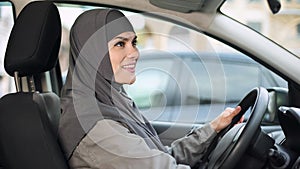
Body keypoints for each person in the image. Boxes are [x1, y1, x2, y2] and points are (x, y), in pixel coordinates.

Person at [58, 9, 242, 169]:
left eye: (134, 43)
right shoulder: (96, 126)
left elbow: (161, 157)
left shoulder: (112, 101)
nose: (135, 53)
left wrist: (213, 128)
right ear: (92, 53)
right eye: (120, 44)